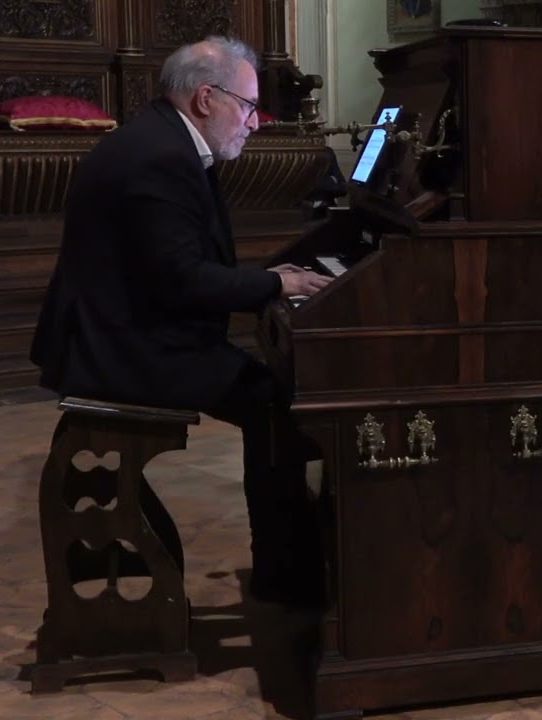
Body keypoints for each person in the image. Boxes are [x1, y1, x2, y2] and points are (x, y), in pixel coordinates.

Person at [29, 36, 333, 608]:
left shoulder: (161, 142)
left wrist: (271, 279)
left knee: (271, 396)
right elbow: (183, 280)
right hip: (124, 348)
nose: (255, 123)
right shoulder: (160, 157)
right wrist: (275, 283)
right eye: (248, 107)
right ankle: (288, 577)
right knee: (273, 403)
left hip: (126, 330)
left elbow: (178, 267)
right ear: (204, 99)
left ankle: (289, 565)